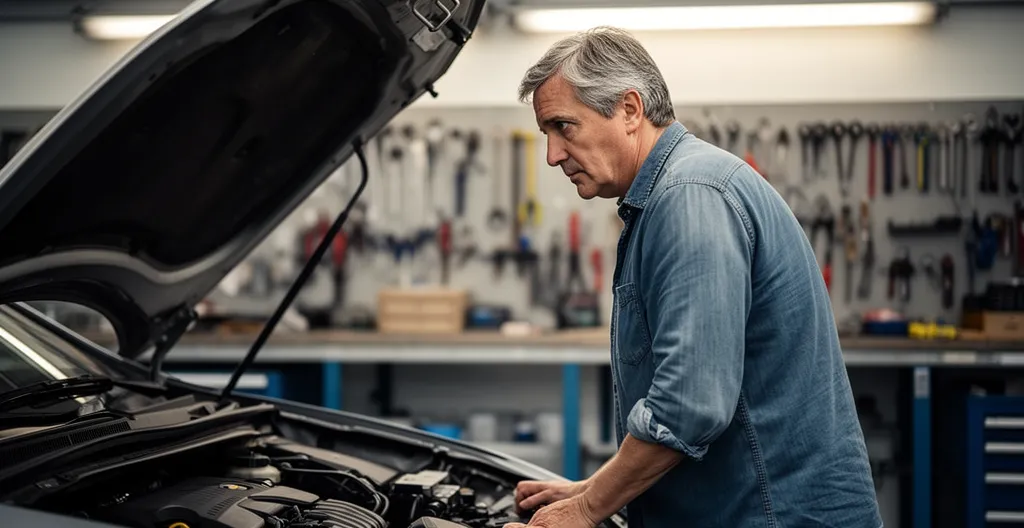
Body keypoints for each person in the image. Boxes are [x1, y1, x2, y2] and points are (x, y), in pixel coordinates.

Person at [504, 27, 882, 528]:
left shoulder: (689, 197)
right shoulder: (671, 193)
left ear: (631, 110)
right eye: (545, 133)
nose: (552, 154)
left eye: (564, 127)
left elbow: (690, 405)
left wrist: (585, 511)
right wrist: (593, 487)